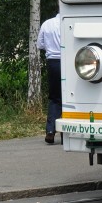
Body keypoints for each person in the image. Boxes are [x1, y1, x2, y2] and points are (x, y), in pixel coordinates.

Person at [38, 13, 63, 144]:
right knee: (67, 96)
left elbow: (40, 44)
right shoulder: (67, 23)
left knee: (54, 97)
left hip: (52, 61)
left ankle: (50, 130)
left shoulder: (46, 24)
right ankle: (65, 132)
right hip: (66, 60)